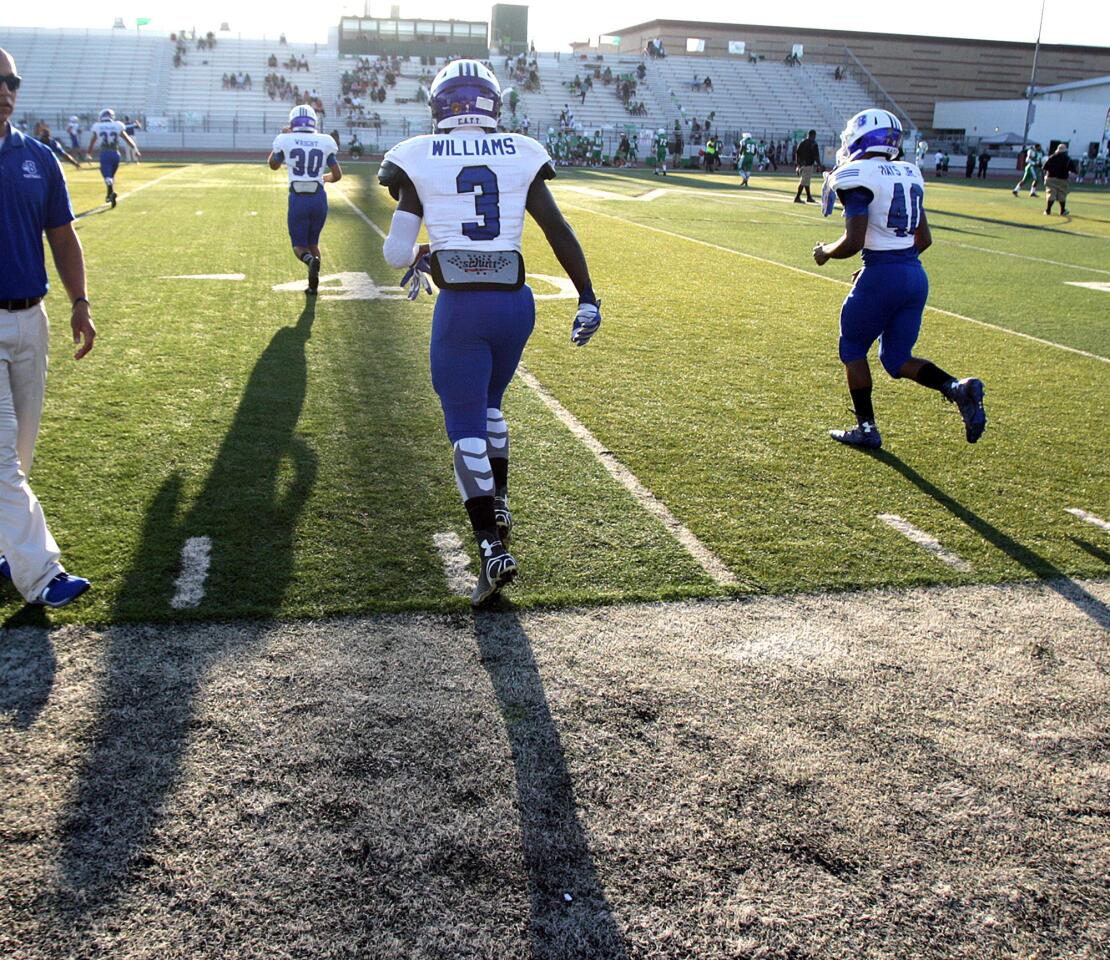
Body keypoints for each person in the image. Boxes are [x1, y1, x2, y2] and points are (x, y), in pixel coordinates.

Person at [377, 59, 601, 606]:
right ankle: (499, 504)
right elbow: (558, 229)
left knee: (464, 426)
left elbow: (393, 254)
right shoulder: (522, 150)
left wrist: (430, 252)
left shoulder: (417, 154)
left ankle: (488, 545)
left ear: (440, 105)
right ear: (492, 105)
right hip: (516, 306)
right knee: (493, 404)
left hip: (462, 310)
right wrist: (588, 297)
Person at [813, 108, 986, 450]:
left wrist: (825, 252)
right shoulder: (909, 172)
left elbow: (854, 241)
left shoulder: (857, 174)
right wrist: (892, 263)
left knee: (852, 348)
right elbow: (924, 239)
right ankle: (956, 388)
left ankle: (866, 428)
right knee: (895, 359)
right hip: (914, 277)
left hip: (883, 275)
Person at [0, 48, 95, 607]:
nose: (7, 88)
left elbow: (62, 236)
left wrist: (79, 301)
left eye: (12, 80)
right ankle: (40, 574)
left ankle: (7, 546)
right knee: (2, 455)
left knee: (22, 449)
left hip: (30, 320)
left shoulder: (37, 157)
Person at [268, 105, 342, 294]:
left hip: (298, 198)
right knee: (313, 244)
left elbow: (273, 165)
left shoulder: (285, 139)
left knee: (299, 246)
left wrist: (282, 138)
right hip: (318, 198)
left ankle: (309, 260)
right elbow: (337, 174)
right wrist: (323, 178)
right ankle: (313, 285)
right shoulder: (324, 141)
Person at [87, 107, 140, 208]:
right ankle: (109, 195)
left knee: (107, 176)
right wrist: (136, 151)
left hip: (105, 153)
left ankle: (110, 192)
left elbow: (92, 142)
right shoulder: (117, 125)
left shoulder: (97, 126)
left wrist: (88, 154)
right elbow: (128, 140)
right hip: (116, 154)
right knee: (111, 176)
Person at [1042, 143, 1071, 216]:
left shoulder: (1051, 157)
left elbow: (1045, 167)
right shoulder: (1067, 159)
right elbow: (1072, 169)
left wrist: (1045, 176)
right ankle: (1062, 210)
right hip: (1062, 179)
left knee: (1051, 194)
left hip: (1051, 178)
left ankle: (1048, 210)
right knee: (1062, 195)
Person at [794, 129, 820, 203]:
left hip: (802, 164)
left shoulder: (802, 142)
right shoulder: (813, 143)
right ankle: (797, 197)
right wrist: (819, 165)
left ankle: (809, 197)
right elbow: (816, 156)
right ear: (814, 135)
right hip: (808, 164)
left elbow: (797, 153)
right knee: (804, 181)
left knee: (806, 181)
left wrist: (798, 164)